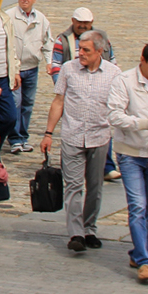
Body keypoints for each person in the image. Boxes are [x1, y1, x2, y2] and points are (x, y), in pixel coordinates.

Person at [39, 28, 118, 254]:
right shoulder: (68, 69)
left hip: (99, 137)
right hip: (72, 136)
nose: (80, 53)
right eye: (79, 49)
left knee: (95, 187)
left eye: (86, 50)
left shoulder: (113, 73)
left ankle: (89, 228)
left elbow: (119, 106)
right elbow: (58, 101)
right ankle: (76, 233)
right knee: (73, 186)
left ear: (100, 51)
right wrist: (48, 133)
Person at [107, 42, 148, 282]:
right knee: (137, 205)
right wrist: (146, 124)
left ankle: (139, 253)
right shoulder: (124, 81)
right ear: (143, 61)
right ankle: (144, 261)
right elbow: (114, 115)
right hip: (130, 152)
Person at [0, 0, 50, 151]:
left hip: (12, 73)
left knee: (18, 110)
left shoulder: (5, 19)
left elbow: (12, 47)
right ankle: (4, 143)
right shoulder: (2, 16)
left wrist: (15, 70)